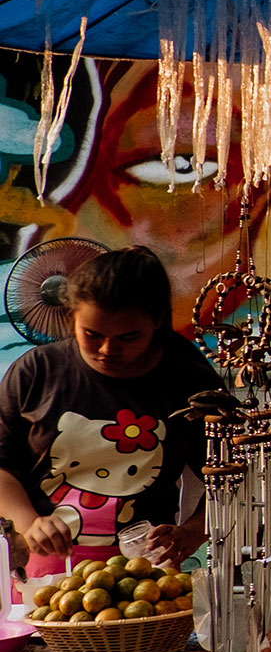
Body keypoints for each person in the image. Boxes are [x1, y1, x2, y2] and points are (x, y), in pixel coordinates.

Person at [0, 245, 221, 575]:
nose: (107, 350)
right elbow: (3, 467)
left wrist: (191, 533)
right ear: (72, 316)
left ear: (157, 321)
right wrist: (31, 523)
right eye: (92, 334)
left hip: (150, 576)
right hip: (44, 571)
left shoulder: (188, 379)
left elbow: (233, 477)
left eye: (129, 337)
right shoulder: (36, 372)